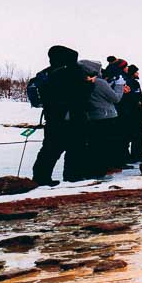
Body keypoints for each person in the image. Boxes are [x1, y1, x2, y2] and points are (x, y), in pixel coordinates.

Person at [31, 45, 94, 185]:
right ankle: (73, 177)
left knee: (50, 149)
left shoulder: (46, 73)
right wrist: (90, 84)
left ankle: (41, 178)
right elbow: (81, 94)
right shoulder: (72, 72)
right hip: (73, 116)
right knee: (76, 148)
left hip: (53, 117)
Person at [78, 59, 124, 176]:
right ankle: (104, 169)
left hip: (92, 116)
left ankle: (96, 168)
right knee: (106, 144)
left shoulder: (82, 81)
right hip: (107, 116)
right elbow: (115, 98)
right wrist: (119, 86)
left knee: (96, 144)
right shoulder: (100, 82)